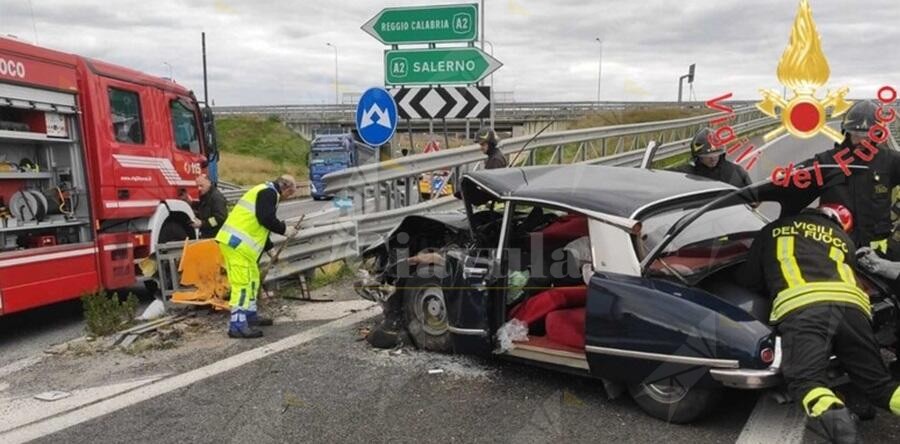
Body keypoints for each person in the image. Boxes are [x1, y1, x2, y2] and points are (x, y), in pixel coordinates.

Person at [738, 204, 900, 443]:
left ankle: (846, 435)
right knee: (879, 385)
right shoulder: (842, 237)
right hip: (853, 307)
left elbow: (749, 279)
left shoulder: (772, 229)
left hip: (805, 307)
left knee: (807, 381)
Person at [800, 100, 900, 252]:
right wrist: (756, 194)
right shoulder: (825, 162)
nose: (863, 140)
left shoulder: (890, 160)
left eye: (869, 135)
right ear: (846, 132)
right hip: (834, 249)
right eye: (857, 135)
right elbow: (790, 181)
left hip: (878, 253)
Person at [215, 175, 299, 338]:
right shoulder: (269, 193)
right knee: (243, 284)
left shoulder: (265, 191)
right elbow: (266, 219)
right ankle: (237, 326)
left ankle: (250, 316)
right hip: (236, 245)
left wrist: (269, 249)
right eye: (290, 194)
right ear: (286, 188)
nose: (288, 197)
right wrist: (284, 229)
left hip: (241, 247)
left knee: (252, 280)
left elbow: (260, 226)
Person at [674, 127, 751, 187]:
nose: (713, 158)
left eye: (716, 154)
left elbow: (754, 200)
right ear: (698, 156)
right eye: (707, 156)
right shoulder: (684, 174)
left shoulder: (737, 172)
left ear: (721, 153)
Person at [193, 174, 227, 239]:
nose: (199, 188)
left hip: (216, 237)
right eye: (197, 186)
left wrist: (202, 224)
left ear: (209, 183)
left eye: (201, 186)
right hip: (208, 236)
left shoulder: (216, 197)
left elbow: (219, 218)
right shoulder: (205, 196)